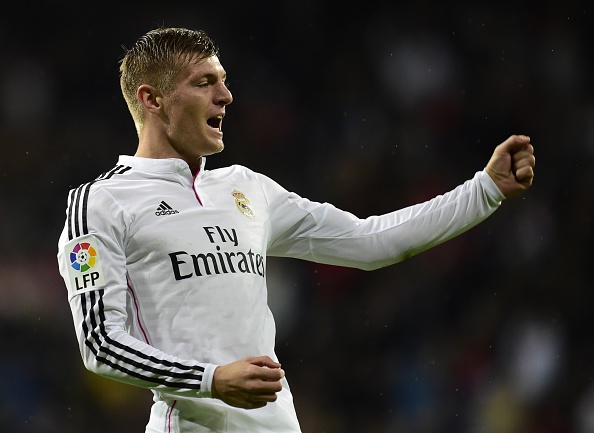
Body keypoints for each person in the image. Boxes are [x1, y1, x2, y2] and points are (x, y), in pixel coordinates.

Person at [56, 27, 535, 433]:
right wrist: (211, 379)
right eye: (204, 82)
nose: (225, 95)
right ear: (152, 99)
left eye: (223, 81)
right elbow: (100, 343)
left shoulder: (249, 189)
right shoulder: (101, 202)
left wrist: (485, 190)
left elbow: (371, 241)